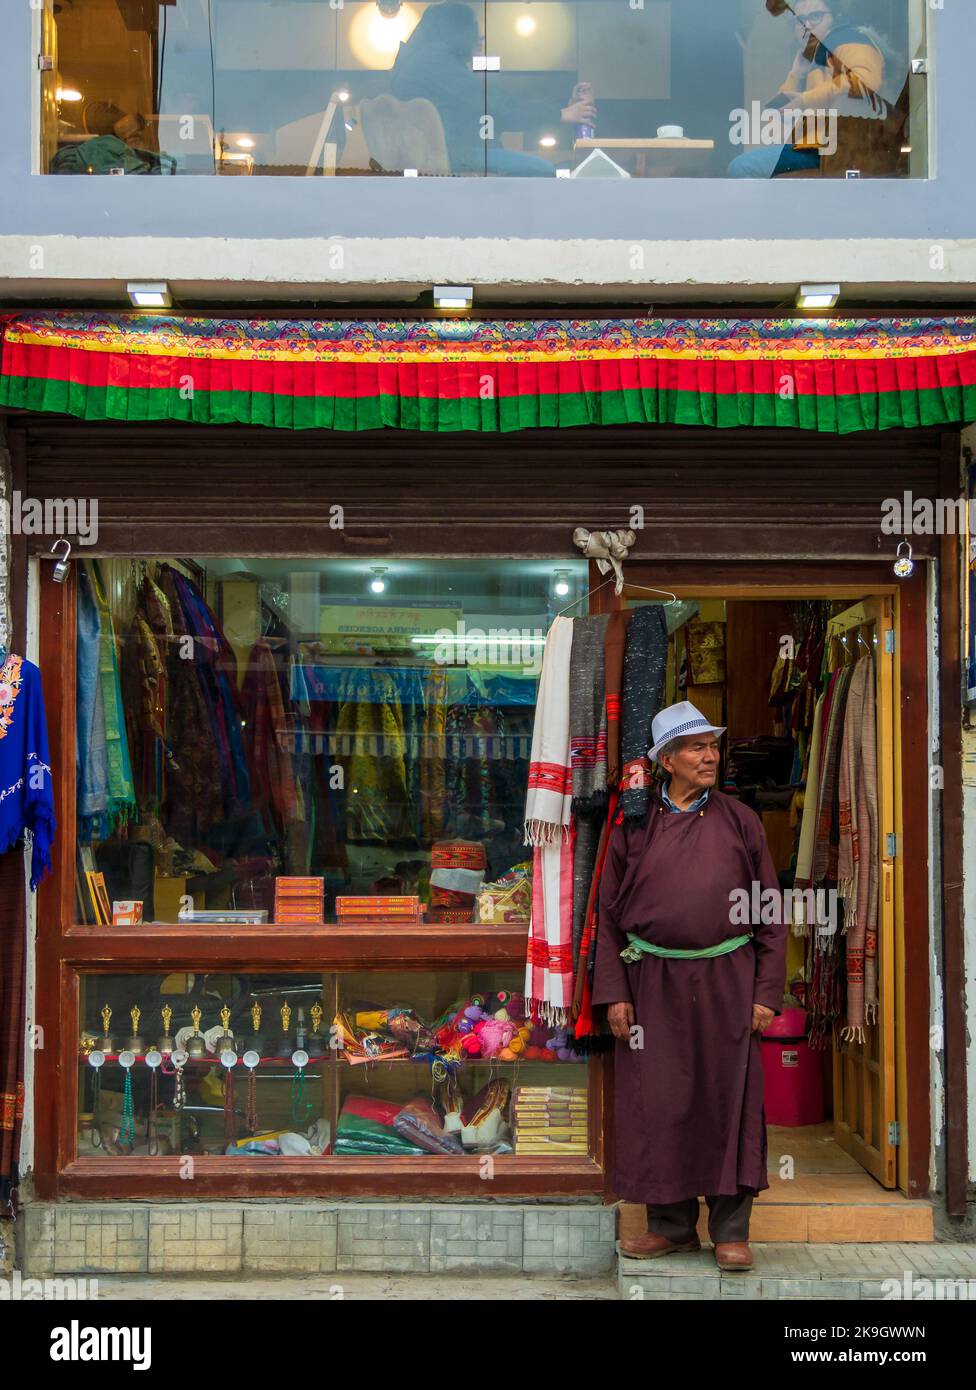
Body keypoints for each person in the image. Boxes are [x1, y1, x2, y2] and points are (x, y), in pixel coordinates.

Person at [591, 700, 787, 1271]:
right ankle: (671, 1226)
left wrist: (765, 992)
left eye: (712, 745)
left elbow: (769, 910)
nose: (710, 756)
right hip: (652, 981)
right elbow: (606, 916)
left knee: (729, 1099)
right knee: (661, 1099)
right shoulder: (633, 823)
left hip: (729, 979)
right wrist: (615, 992)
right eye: (696, 747)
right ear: (667, 760)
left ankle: (731, 1229)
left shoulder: (740, 820)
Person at [390, 2, 596, 176]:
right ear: (457, 32)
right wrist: (561, 114)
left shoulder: (417, 63)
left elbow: (483, 110)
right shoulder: (436, 65)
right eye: (472, 29)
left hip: (446, 155)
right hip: (456, 155)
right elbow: (498, 107)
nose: (479, 36)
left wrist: (478, 70)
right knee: (542, 169)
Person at [728, 0, 893, 178]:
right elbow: (781, 114)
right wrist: (796, 74)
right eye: (798, 21)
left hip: (839, 152)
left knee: (741, 167)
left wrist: (806, 99)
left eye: (815, 17)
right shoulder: (815, 57)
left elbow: (865, 82)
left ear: (836, 18)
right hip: (816, 148)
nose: (806, 26)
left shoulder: (848, 39)